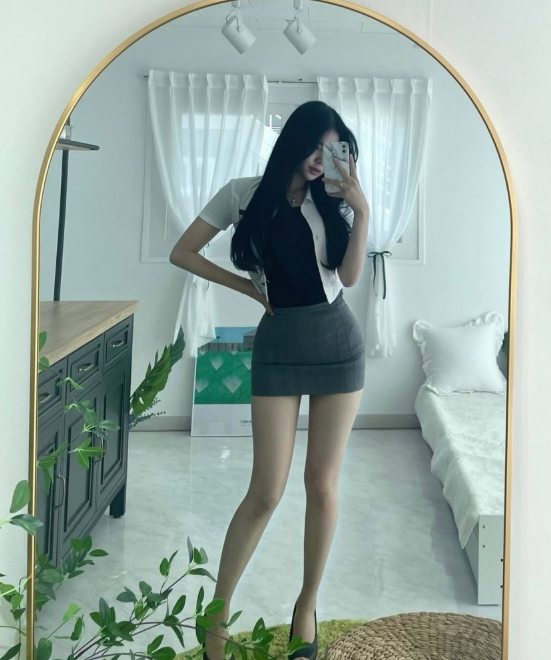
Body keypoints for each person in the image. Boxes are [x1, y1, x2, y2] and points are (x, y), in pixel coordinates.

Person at [169, 100, 369, 660]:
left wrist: (361, 209)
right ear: (293, 142)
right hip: (278, 345)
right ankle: (217, 615)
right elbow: (183, 252)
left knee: (321, 485)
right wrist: (246, 288)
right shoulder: (242, 193)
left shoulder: (334, 201)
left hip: (337, 344)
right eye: (314, 148)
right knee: (265, 491)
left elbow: (350, 276)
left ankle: (306, 606)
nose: (321, 160)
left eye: (332, 150)